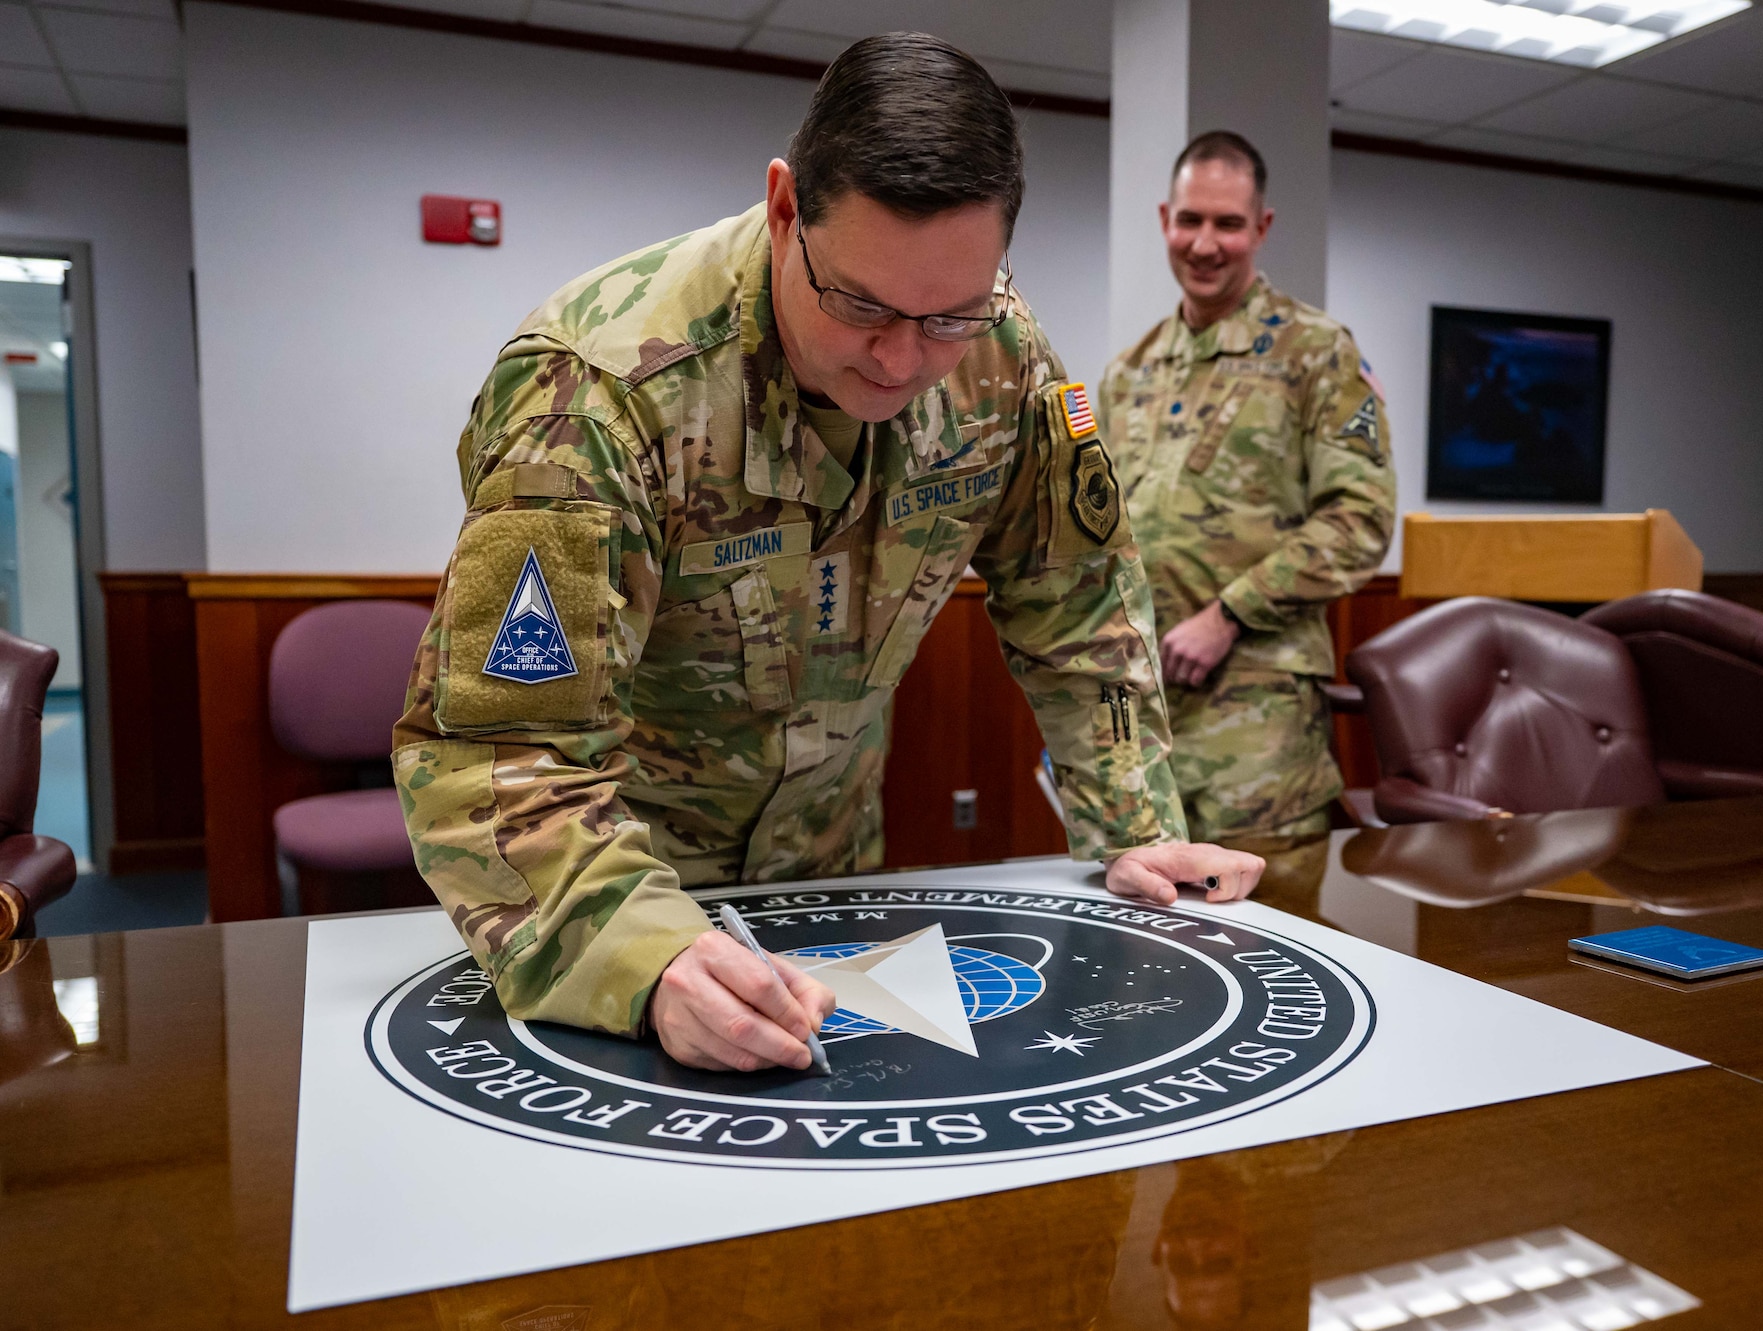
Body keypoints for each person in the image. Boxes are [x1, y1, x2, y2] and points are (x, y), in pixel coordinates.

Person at [394, 35, 1262, 1077]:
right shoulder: (597, 392)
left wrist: (1135, 821)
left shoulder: (1001, 358)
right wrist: (640, 950)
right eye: (860, 305)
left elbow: (1077, 601)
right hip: (604, 909)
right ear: (782, 210)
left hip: (834, 893)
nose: (902, 358)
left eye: (947, 314)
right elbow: (495, 757)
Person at [1101, 131, 1397, 851]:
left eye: (1228, 223)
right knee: (1145, 934)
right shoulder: (1127, 373)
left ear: (1261, 228)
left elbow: (1361, 519)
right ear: (1165, 219)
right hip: (1140, 720)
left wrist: (1229, 613)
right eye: (1192, 221)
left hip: (1257, 725)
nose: (1206, 244)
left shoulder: (1316, 350)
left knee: (1269, 931)